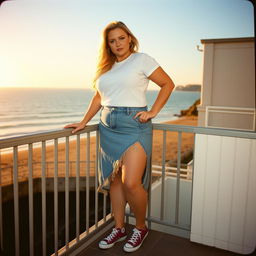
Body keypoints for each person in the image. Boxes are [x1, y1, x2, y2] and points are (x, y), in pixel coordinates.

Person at [64, 21, 174, 253]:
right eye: (112, 41)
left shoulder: (142, 59)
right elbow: (98, 98)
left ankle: (141, 228)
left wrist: (153, 111)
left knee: (131, 182)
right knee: (114, 179)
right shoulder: (106, 67)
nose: (117, 44)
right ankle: (120, 227)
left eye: (121, 38)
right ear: (108, 45)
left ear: (130, 38)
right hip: (107, 126)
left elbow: (167, 84)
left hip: (134, 125)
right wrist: (84, 122)